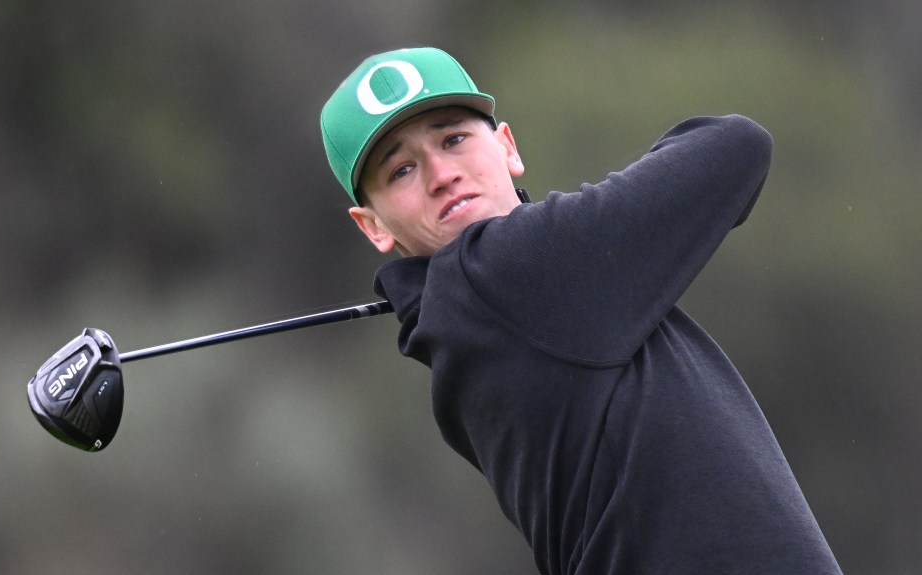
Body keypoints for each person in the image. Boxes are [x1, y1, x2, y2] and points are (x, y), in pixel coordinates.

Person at [320, 47, 842, 574]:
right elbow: (735, 146)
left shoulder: (458, 321)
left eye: (453, 139)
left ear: (508, 147)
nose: (440, 174)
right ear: (373, 226)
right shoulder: (507, 273)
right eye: (402, 170)